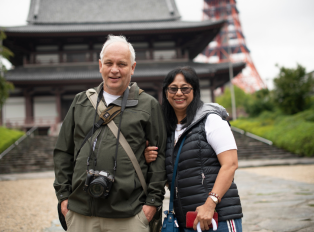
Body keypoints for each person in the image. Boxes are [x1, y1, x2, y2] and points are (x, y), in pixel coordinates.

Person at [53, 35, 167, 232]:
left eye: (122, 64)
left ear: (132, 68)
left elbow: (160, 155)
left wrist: (152, 203)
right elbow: (63, 151)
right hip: (81, 212)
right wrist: (63, 197)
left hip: (130, 213)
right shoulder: (81, 102)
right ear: (100, 65)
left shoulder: (148, 105)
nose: (115, 69)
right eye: (109, 63)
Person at [145, 67, 243, 232]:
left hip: (217, 218)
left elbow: (231, 164)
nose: (179, 93)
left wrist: (210, 204)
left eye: (185, 88)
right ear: (166, 92)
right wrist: (149, 158)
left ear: (195, 91)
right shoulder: (166, 130)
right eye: (173, 89)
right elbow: (172, 177)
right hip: (188, 220)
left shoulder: (211, 120)